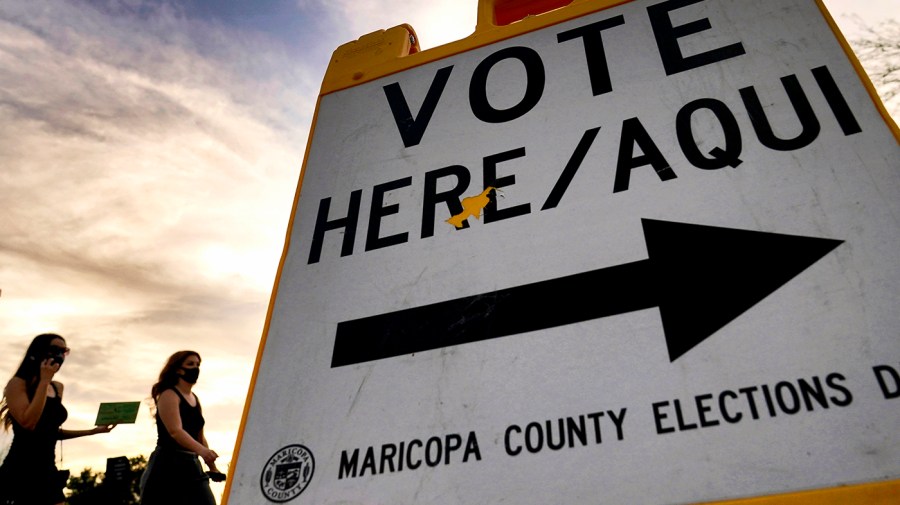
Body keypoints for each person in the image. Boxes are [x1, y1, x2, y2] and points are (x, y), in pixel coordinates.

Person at [0, 333, 116, 505]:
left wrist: (92, 431)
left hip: (47, 469)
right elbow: (28, 423)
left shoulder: (57, 387)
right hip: (21, 470)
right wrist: (44, 381)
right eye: (55, 350)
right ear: (38, 352)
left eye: (64, 351)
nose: (60, 355)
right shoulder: (17, 384)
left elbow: (50, 432)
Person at [140, 350, 219, 505]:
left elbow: (200, 437)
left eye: (197, 364)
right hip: (167, 465)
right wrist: (202, 451)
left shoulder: (194, 398)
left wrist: (212, 467)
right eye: (190, 364)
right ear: (178, 369)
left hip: (192, 464)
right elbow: (175, 431)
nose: (195, 368)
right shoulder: (169, 394)